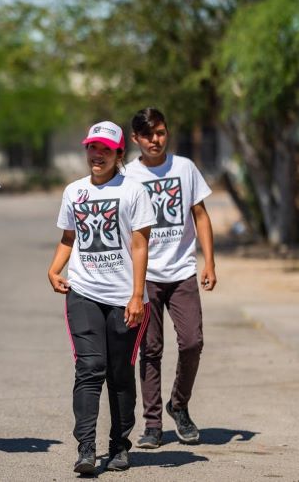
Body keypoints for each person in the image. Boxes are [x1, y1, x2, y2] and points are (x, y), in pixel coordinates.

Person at [47, 121, 156, 474]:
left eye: (105, 149)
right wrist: (54, 269)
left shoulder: (133, 191)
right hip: (84, 292)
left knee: (120, 373)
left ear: (119, 154)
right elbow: (69, 236)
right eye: (92, 148)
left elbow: (140, 244)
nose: (97, 155)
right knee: (90, 367)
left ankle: (120, 445)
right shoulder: (74, 191)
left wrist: (137, 295)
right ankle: (86, 448)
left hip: (125, 296)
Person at [124, 108, 216, 448]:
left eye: (160, 132)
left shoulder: (184, 168)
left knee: (192, 341)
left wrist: (209, 262)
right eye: (147, 135)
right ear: (135, 139)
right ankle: (152, 424)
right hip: (144, 277)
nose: (155, 140)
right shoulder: (128, 175)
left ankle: (179, 404)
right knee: (150, 349)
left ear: (167, 132)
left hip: (181, 273)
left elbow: (201, 215)